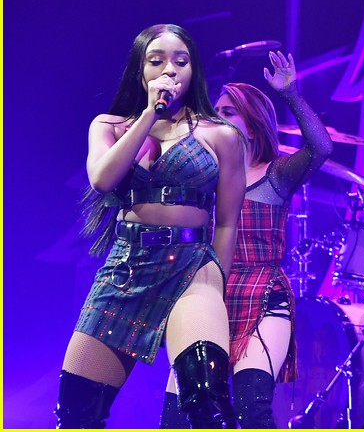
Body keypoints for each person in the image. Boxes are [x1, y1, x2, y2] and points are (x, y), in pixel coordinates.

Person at [58, 24, 246, 427]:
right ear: (140, 70)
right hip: (126, 269)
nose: (170, 70)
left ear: (193, 70)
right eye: (156, 61)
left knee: (207, 403)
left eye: (181, 61)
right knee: (76, 414)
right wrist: (148, 115)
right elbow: (102, 179)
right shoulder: (109, 126)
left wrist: (217, 287)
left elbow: (228, 223)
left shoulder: (222, 135)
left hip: (193, 270)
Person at [160, 51, 334, 428]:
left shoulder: (276, 174)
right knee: (177, 418)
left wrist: (291, 95)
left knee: (250, 407)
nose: (217, 118)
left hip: (262, 295)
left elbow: (321, 148)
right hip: (206, 298)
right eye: (215, 112)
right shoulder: (202, 180)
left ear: (252, 127)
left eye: (229, 112)